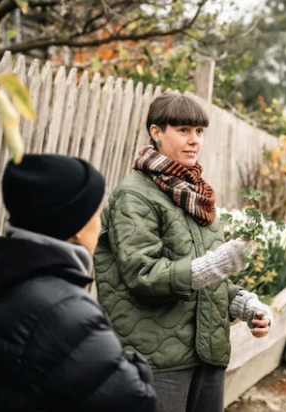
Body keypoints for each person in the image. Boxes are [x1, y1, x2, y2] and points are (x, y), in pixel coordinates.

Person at [94, 92, 273, 412]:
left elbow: (203, 277)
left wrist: (246, 306)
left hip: (206, 355)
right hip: (157, 360)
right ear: (156, 132)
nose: (194, 140)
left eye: (200, 131)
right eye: (183, 130)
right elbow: (143, 276)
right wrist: (218, 264)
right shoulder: (134, 195)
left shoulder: (197, 197)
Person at [0, 155, 157, 412]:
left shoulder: (7, 280)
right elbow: (135, 401)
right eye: (97, 212)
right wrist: (133, 363)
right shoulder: (66, 310)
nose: (101, 221)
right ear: (75, 226)